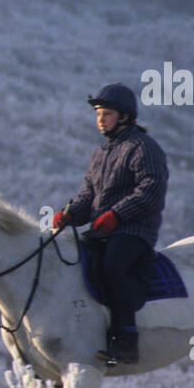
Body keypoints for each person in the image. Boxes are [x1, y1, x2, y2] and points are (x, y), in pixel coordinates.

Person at [52, 83, 169, 365]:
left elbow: (150, 191)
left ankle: (126, 339)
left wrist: (116, 215)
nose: (100, 119)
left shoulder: (144, 148)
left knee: (112, 266)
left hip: (134, 231)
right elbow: (88, 197)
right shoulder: (100, 154)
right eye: (98, 114)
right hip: (102, 231)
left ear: (126, 117)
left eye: (106, 113)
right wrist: (69, 214)